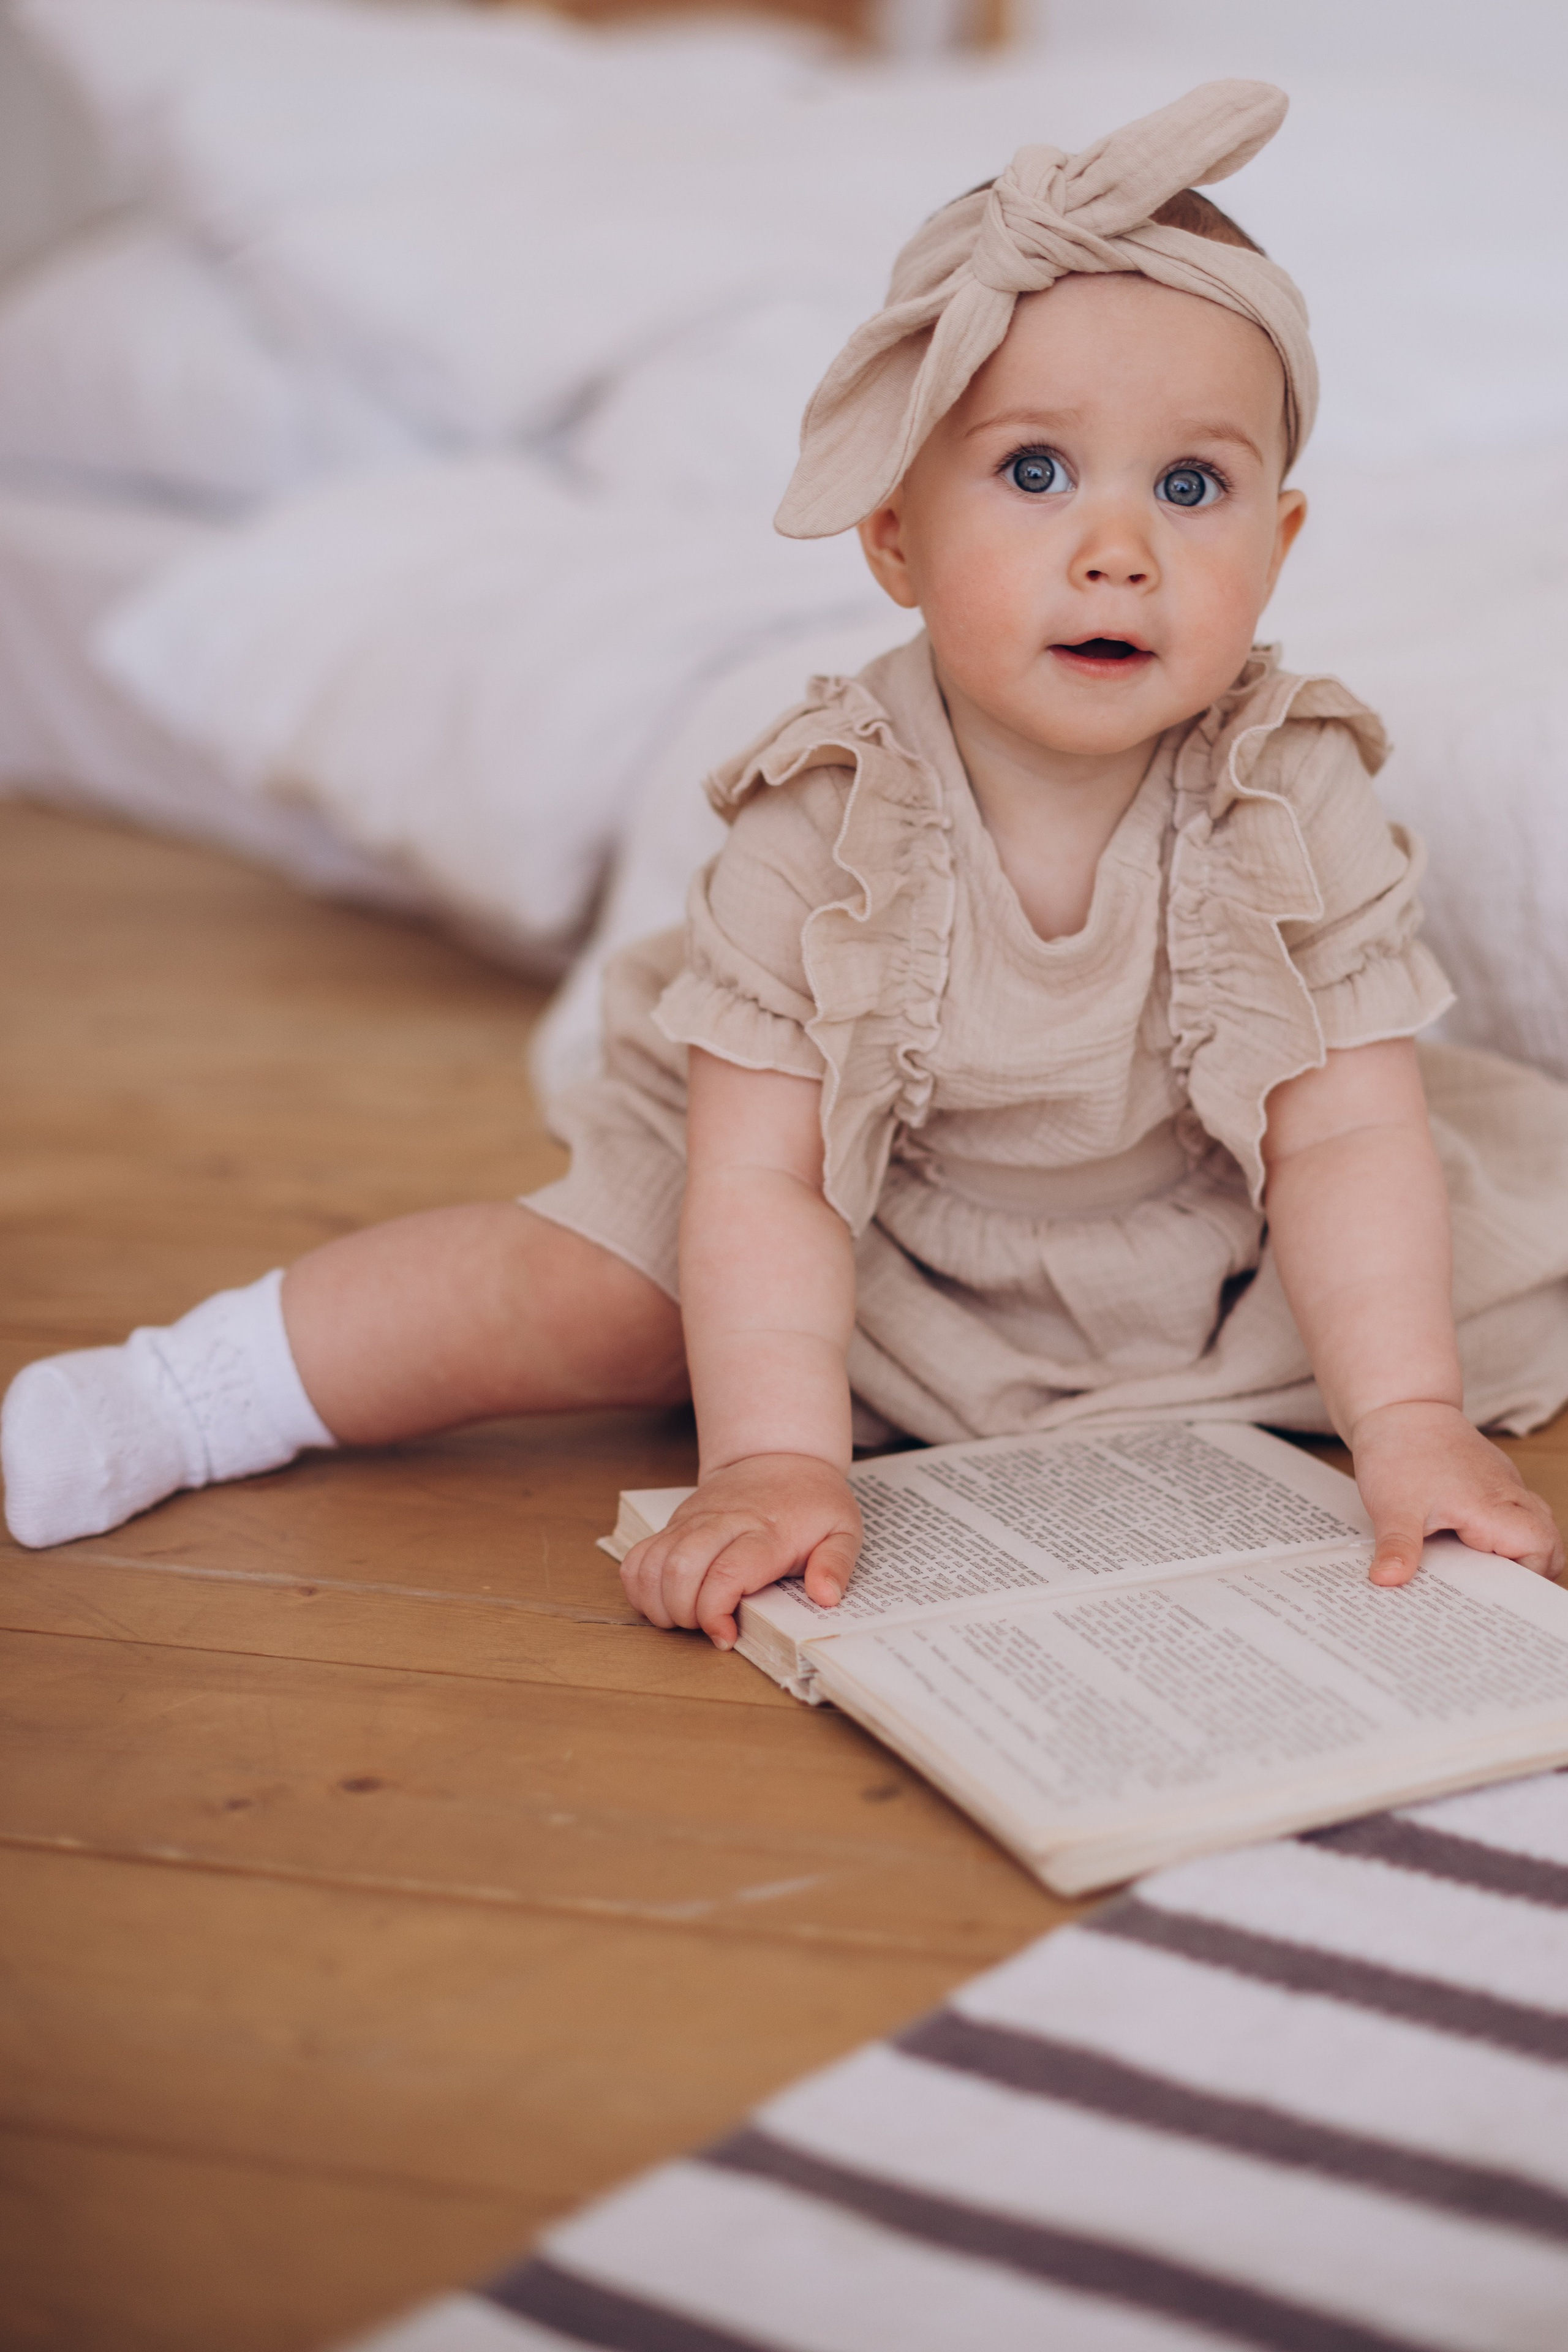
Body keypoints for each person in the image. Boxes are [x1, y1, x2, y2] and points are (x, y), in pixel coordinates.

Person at [6, 81, 1567, 1645]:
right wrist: (766, 1456)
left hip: (1202, 1229)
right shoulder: (826, 813)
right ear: (891, 535)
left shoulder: (1294, 781)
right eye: (1033, 472)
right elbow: (763, 1172)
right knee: (583, 1299)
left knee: (1435, 1260)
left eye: (1188, 487)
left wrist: (1409, 1416)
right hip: (845, 1212)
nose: (1118, 548)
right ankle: (193, 1394)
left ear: (1279, 542)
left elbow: (1345, 1134)